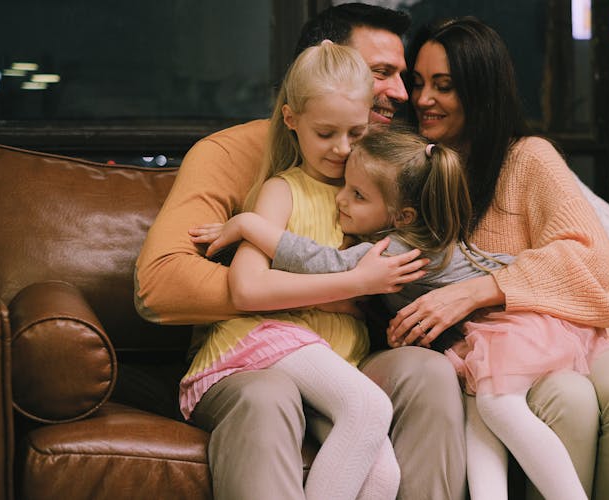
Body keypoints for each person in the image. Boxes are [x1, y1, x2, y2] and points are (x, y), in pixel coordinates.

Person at [135, 4, 468, 500]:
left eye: (402, 76)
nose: (400, 93)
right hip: (266, 352)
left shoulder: (384, 166)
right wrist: (338, 291)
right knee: (272, 394)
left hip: (350, 353)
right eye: (381, 73)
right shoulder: (246, 164)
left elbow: (435, 258)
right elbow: (160, 285)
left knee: (429, 373)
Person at [190, 126, 609, 499]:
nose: (341, 200)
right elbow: (489, 265)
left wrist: (248, 225)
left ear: (403, 214)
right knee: (479, 423)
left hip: (512, 333)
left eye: (357, 195)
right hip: (489, 342)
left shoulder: (394, 250)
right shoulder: (427, 239)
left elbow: (318, 260)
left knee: (497, 407)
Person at [392, 17, 609, 499]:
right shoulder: (410, 169)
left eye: (443, 85)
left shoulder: (528, 159)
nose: (422, 99)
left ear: (481, 91)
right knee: (571, 401)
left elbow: (597, 270)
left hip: (577, 334)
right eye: (417, 83)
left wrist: (479, 290)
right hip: (486, 355)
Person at [180, 41, 426, 499]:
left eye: (355, 132)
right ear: (292, 121)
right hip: (265, 342)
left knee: (384, 476)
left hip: (329, 361)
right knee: (369, 407)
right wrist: (358, 283)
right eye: (325, 133)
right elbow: (247, 290)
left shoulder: (373, 195)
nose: (342, 148)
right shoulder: (282, 190)